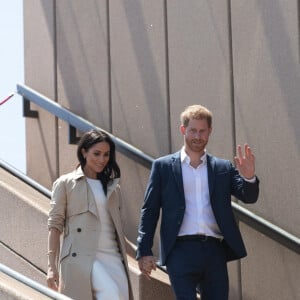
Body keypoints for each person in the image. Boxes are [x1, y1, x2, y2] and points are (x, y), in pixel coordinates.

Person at [136, 104, 259, 300]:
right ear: (183, 130)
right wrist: (144, 250)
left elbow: (249, 196)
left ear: (209, 131)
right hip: (179, 250)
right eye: (193, 130)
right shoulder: (163, 167)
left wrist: (249, 177)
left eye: (202, 131)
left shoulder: (222, 167)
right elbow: (149, 210)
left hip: (214, 252)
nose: (197, 136)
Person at [47, 129, 133, 300]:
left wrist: (142, 255)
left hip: (114, 257)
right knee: (111, 294)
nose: (102, 160)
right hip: (83, 256)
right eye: (97, 153)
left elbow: (117, 231)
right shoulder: (65, 183)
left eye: (106, 154)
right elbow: (54, 226)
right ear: (84, 152)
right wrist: (51, 267)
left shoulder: (113, 189)